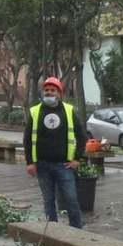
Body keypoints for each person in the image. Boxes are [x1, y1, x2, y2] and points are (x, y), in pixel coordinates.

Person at [24, 76, 87, 228]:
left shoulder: (68, 110)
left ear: (59, 93)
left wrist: (78, 159)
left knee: (71, 199)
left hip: (64, 165)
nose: (49, 93)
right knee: (48, 201)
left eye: (53, 90)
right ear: (42, 92)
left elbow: (82, 136)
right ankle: (52, 233)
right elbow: (27, 139)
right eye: (46, 90)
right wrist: (30, 163)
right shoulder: (35, 111)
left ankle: (77, 233)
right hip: (42, 166)